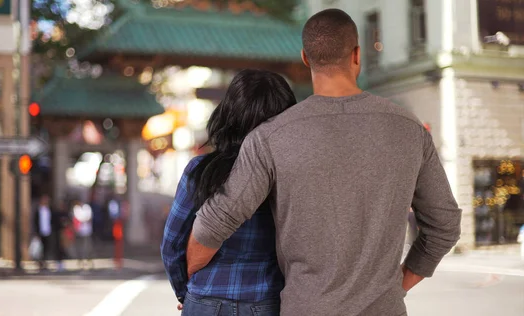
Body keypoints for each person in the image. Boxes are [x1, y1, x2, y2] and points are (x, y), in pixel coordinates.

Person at [187, 9, 462, 316]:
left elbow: (214, 224)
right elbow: (445, 226)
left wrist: (190, 284)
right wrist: (397, 285)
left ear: (306, 58)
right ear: (357, 54)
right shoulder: (409, 129)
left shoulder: (271, 137)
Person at [161, 69, 297, 316]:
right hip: (266, 301)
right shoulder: (291, 176)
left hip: (205, 299)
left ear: (229, 114)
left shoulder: (200, 171)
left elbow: (172, 244)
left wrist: (186, 291)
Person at [33, 194, 54, 270]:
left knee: (46, 247)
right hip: (40, 231)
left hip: (47, 231)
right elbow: (35, 221)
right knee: (39, 248)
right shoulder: (38, 210)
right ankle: (39, 262)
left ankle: (44, 261)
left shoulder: (49, 209)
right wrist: (36, 232)